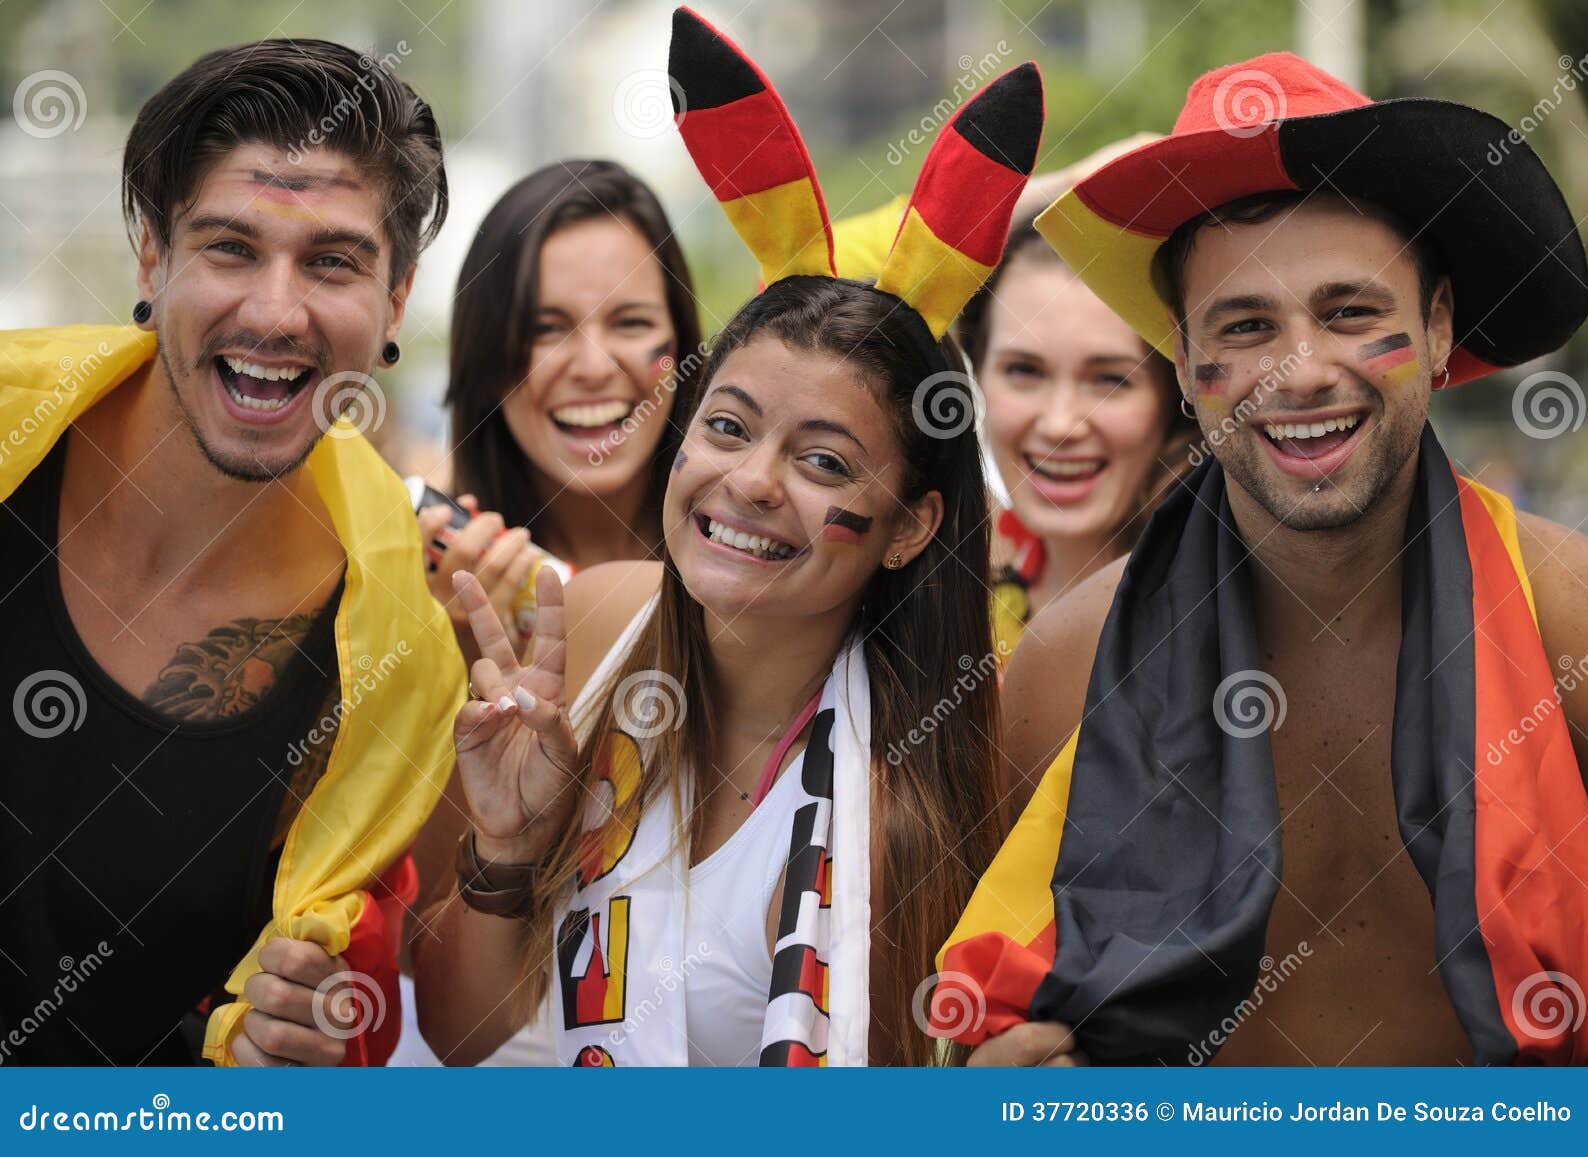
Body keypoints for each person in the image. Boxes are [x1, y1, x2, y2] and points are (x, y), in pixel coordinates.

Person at [937, 53, 1588, 1066]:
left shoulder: (1573, 622)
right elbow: (964, 1012)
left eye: (1349, 313)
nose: (1298, 372)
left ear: (1435, 329)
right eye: (1244, 326)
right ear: (1183, 359)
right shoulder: (1070, 664)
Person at [410, 5, 1042, 1066]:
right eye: (730, 427)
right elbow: (455, 1032)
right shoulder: (598, 620)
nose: (750, 482)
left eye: (824, 461)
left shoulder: (902, 812)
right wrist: (506, 852)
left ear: (908, 527)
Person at [0, 39, 463, 1066]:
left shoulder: (392, 661)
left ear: (395, 301)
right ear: (153, 259)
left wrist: (265, 1054)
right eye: (230, 248)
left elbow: (276, 1016)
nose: (274, 311)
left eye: (332, 261)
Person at [417, 160, 704, 660]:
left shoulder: (762, 571)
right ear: (484, 359)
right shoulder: (408, 585)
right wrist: (451, 665)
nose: (593, 367)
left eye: (631, 322)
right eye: (545, 329)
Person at [957, 222, 1195, 665]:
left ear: (1177, 392)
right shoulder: (951, 608)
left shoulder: (1224, 609)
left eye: (1110, 379)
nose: (1060, 424)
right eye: (1024, 371)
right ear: (976, 376)